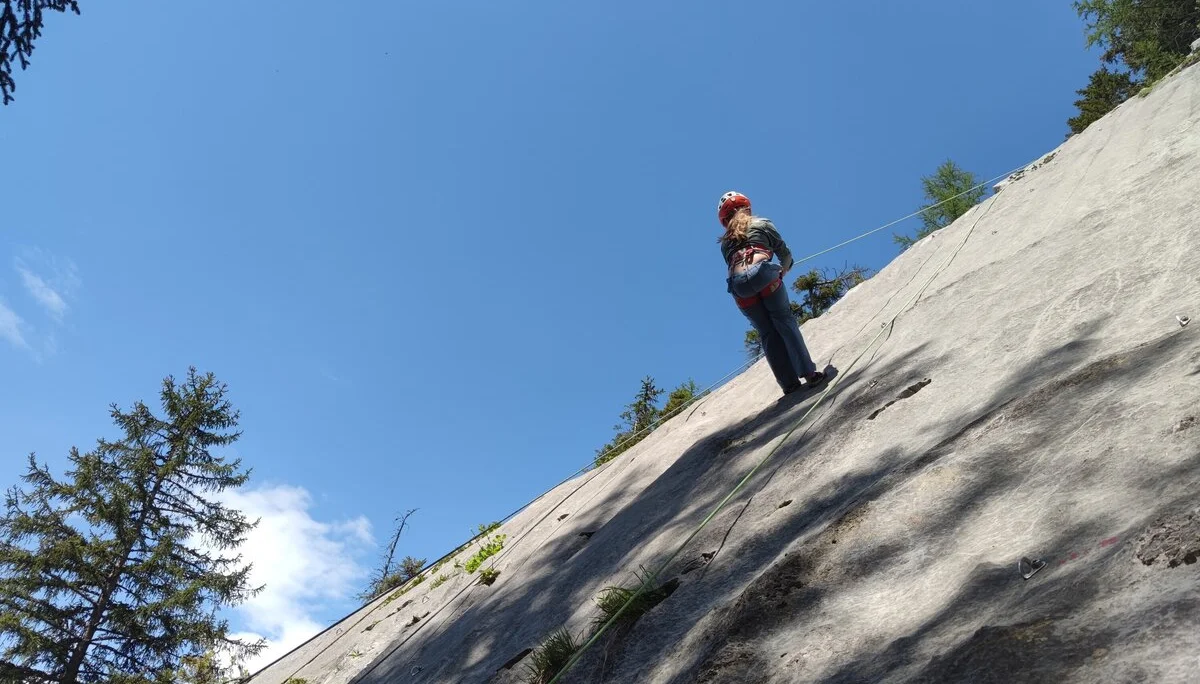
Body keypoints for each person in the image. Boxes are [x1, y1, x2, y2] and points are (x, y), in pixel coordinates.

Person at [717, 191, 826, 395]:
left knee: (767, 332)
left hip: (739, 287)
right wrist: (782, 271)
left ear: (725, 220)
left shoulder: (725, 243)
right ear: (747, 208)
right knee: (783, 319)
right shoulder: (763, 224)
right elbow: (784, 254)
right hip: (764, 275)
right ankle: (810, 374)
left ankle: (789, 384)